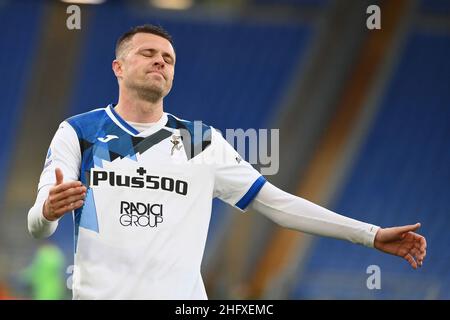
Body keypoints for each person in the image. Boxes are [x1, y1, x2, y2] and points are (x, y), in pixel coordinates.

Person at [28, 24, 426, 300]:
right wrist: (48, 210)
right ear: (118, 67)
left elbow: (275, 202)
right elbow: (38, 227)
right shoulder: (79, 132)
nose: (160, 62)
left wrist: (369, 234)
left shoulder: (198, 139)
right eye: (147, 53)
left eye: (168, 58)